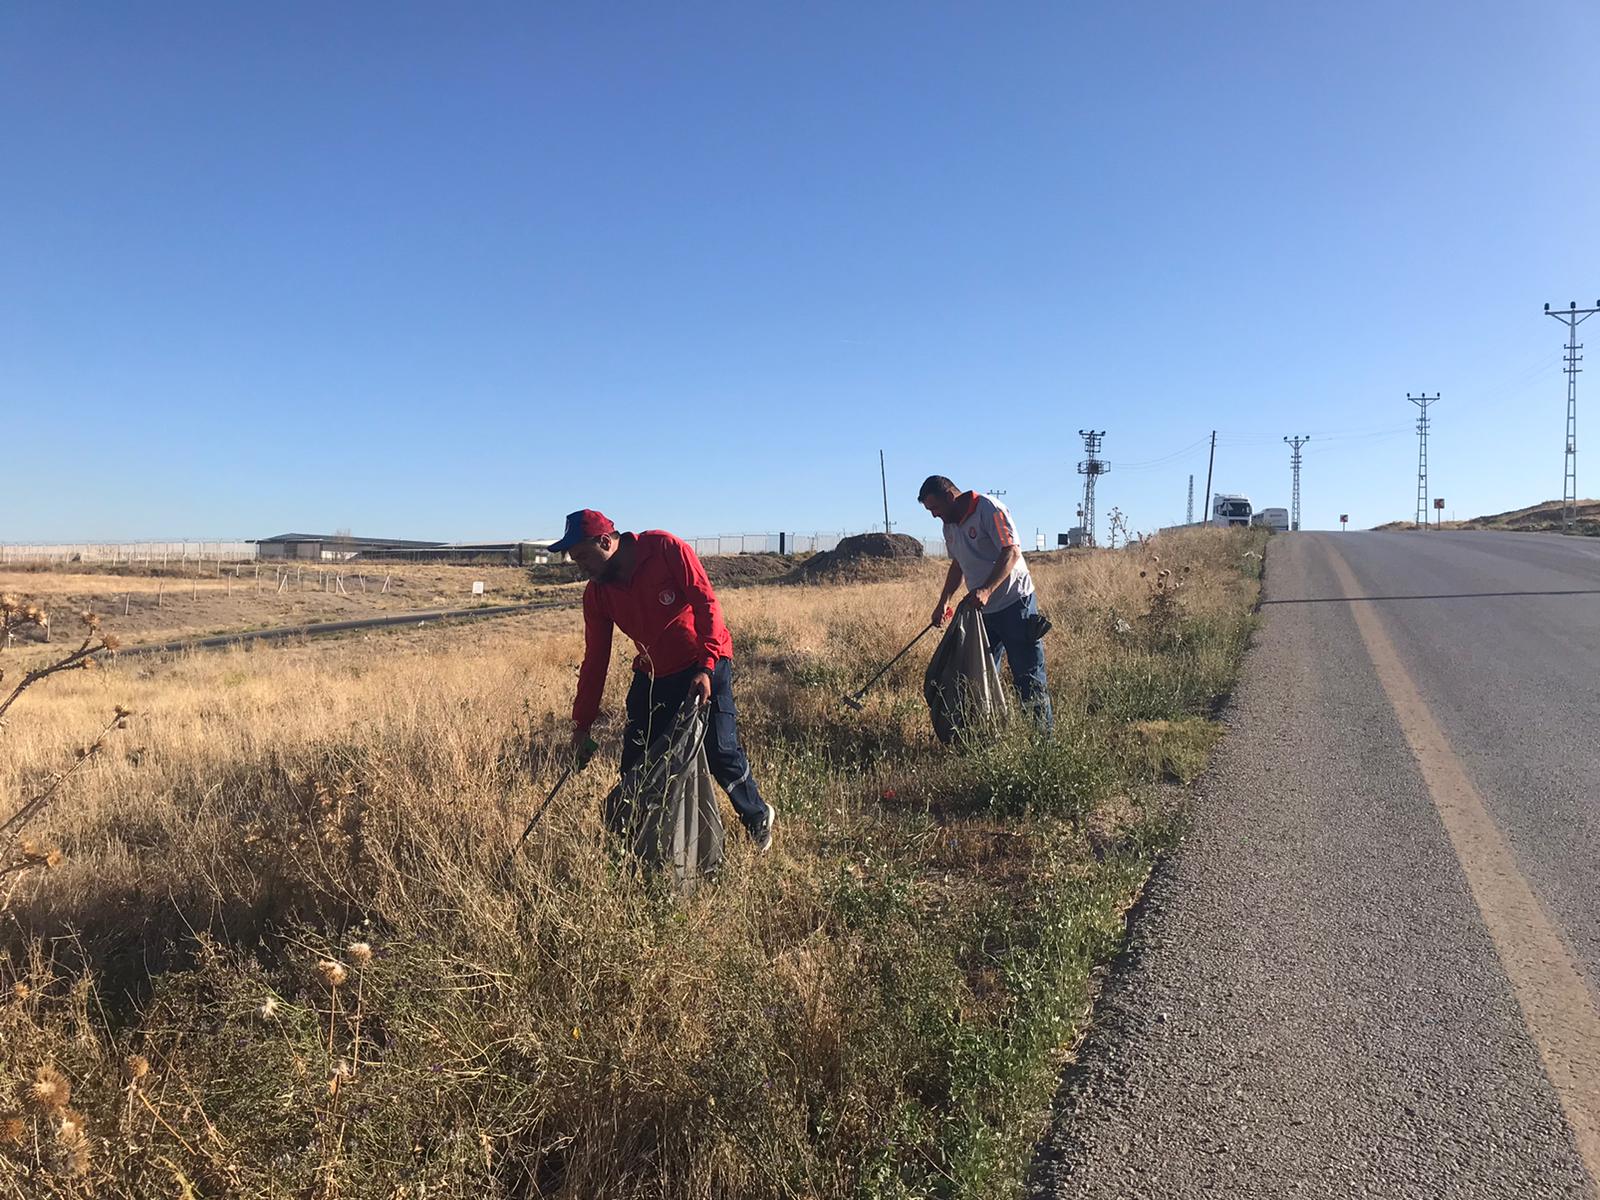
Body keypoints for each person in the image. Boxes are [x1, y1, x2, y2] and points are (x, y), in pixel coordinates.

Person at [550, 509, 776, 850]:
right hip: (654, 674)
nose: (580, 566)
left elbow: (706, 604)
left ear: (605, 541)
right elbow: (596, 660)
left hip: (704, 662)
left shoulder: (664, 548)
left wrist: (707, 665)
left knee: (720, 752)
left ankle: (757, 816)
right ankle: (635, 842)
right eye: (574, 559)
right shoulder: (596, 594)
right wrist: (582, 724)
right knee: (636, 761)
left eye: (582, 556)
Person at [918, 476, 1054, 734]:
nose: (934, 515)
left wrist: (986, 590)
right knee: (979, 679)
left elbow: (1011, 552)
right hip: (983, 614)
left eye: (935, 508)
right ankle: (988, 738)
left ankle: (1042, 744)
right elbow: (958, 564)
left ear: (950, 497)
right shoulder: (950, 527)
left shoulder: (989, 509)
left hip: (1016, 605)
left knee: (1028, 678)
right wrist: (943, 602)